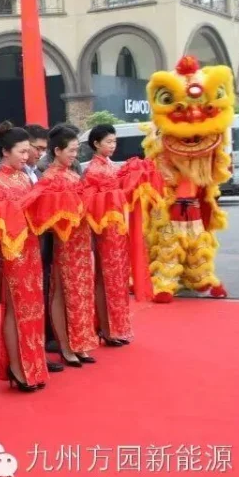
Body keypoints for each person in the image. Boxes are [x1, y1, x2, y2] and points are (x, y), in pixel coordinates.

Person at [0, 122, 49, 391]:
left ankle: (33, 365)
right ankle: (17, 368)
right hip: (11, 251)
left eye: (27, 151)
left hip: (30, 247)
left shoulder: (23, 178)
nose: (26, 156)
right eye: (21, 151)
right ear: (5, 152)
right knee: (15, 308)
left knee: (33, 307)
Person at [39, 126, 99, 367]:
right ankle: (65, 346)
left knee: (81, 293)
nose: (75, 155)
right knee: (62, 292)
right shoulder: (48, 178)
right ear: (57, 151)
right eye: (71, 150)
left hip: (81, 241)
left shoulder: (73, 174)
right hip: (64, 242)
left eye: (76, 150)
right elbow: (47, 217)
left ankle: (80, 343)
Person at [83, 124, 132, 346]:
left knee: (117, 279)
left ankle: (117, 327)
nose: (113, 146)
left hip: (118, 230)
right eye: (108, 142)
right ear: (96, 144)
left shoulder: (111, 166)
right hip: (104, 230)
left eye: (114, 141)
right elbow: (89, 202)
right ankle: (107, 328)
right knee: (106, 279)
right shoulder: (93, 170)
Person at [24, 124, 65, 375]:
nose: (39, 153)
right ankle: (27, 357)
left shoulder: (34, 173)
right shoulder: (26, 175)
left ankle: (37, 351)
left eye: (42, 149)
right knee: (27, 305)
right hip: (24, 246)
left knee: (38, 300)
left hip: (40, 241)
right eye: (35, 148)